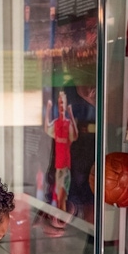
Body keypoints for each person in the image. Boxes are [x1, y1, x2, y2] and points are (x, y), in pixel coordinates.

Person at [44, 90, 78, 219]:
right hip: (58, 165)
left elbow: (74, 135)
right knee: (59, 195)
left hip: (65, 166)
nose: (61, 105)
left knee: (63, 194)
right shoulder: (57, 123)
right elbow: (47, 129)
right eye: (60, 103)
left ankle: (62, 217)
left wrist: (71, 114)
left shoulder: (68, 124)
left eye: (63, 103)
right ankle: (61, 217)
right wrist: (47, 109)